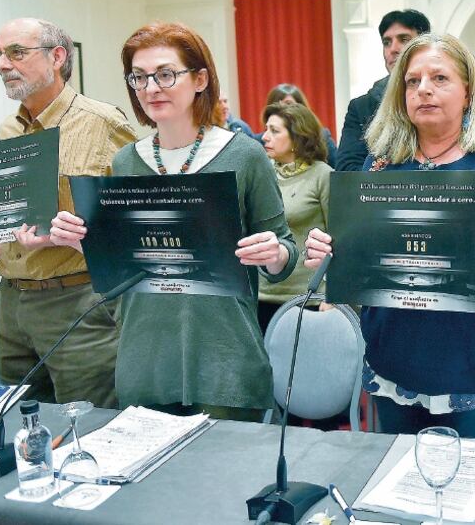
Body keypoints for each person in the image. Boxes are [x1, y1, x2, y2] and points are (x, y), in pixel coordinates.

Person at [304, 33, 475, 439]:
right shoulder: (380, 164)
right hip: (395, 368)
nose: (423, 89)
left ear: (468, 92)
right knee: (399, 478)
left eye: (439, 78)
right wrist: (333, 252)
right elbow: (365, 263)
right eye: (412, 81)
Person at [46, 21, 298, 421]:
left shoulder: (245, 155)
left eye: (165, 74)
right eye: (139, 77)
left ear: (200, 79)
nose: (151, 88)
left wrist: (274, 254)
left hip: (224, 358)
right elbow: (125, 267)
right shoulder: (125, 161)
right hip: (145, 357)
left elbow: (285, 253)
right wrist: (87, 243)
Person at [0, 18, 136, 408]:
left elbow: (136, 222)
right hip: (12, 304)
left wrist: (72, 238)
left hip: (78, 302)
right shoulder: (8, 129)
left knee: (87, 426)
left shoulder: (103, 124)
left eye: (16, 52)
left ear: (57, 57)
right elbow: (13, 216)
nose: (3, 64)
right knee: (23, 424)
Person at [257, 101, 332, 332]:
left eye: (274, 131)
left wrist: (334, 294)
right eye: (266, 129)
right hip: (262, 294)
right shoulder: (262, 175)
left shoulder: (322, 175)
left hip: (310, 297)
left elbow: (339, 240)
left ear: (297, 137)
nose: (264, 137)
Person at [335, 9, 431, 172]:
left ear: (425, 46)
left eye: (404, 39)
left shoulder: (440, 97)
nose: (393, 49)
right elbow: (347, 169)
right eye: (387, 42)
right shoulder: (362, 107)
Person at [265, 83, 338, 168]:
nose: (283, 110)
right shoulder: (261, 141)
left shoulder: (321, 137)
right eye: (276, 105)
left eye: (288, 104)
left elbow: (338, 170)